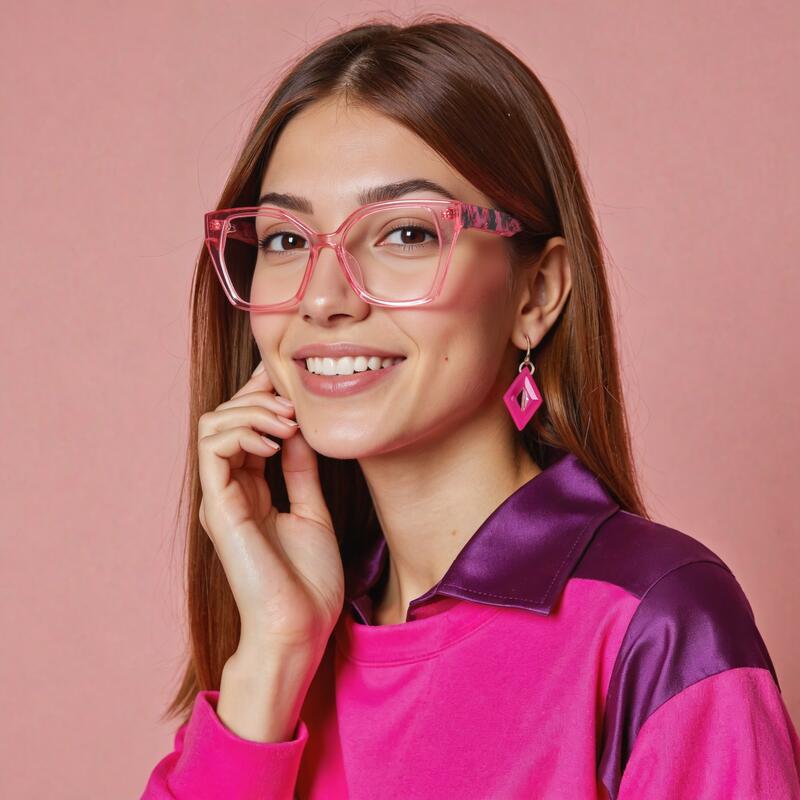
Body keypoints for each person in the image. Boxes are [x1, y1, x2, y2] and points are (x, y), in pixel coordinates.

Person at [139, 15, 800, 800]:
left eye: (405, 233)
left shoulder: (657, 625)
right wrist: (274, 656)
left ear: (537, 293)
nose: (322, 298)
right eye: (286, 240)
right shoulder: (290, 648)